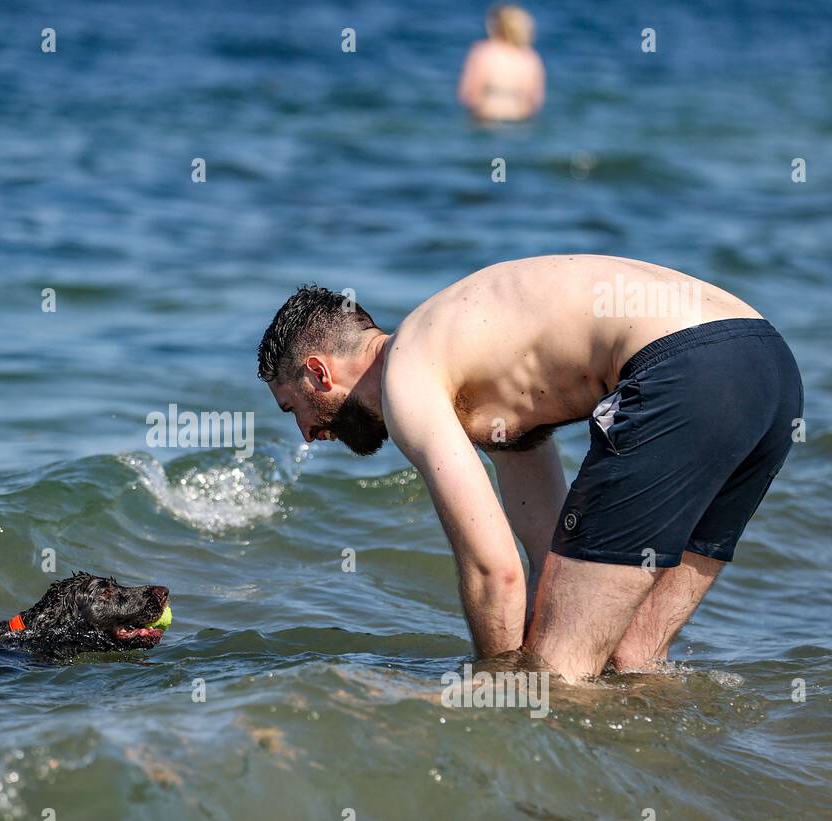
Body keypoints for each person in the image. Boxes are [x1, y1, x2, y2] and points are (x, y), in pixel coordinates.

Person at [257, 256, 803, 682]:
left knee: (554, 679)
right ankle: (667, 805)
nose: (306, 434)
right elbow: (549, 558)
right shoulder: (478, 370)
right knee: (630, 657)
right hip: (766, 367)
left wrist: (497, 694)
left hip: (685, 368)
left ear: (319, 373)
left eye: (294, 409)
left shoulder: (407, 378)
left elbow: (495, 573)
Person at [457, 5, 545, 122]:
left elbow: (469, 94)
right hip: (520, 119)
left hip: (487, 117)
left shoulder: (484, 52)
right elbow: (535, 100)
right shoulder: (530, 57)